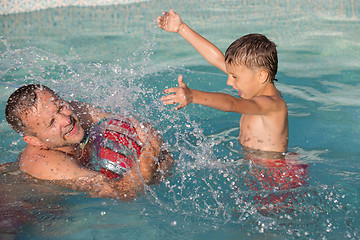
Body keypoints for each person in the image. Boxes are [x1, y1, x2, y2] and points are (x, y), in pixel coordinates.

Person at [5, 84, 173, 200]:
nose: (65, 120)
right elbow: (124, 192)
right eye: (52, 123)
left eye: (60, 106)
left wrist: (157, 163)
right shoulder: (48, 164)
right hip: (26, 201)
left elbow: (133, 126)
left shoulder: (75, 112)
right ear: (34, 141)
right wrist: (152, 151)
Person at [157, 10, 288, 158]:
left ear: (261, 76)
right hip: (254, 162)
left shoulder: (272, 105)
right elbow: (216, 58)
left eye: (234, 77)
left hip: (274, 173)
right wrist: (181, 28)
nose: (228, 81)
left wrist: (193, 95)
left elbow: (232, 103)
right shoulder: (253, 86)